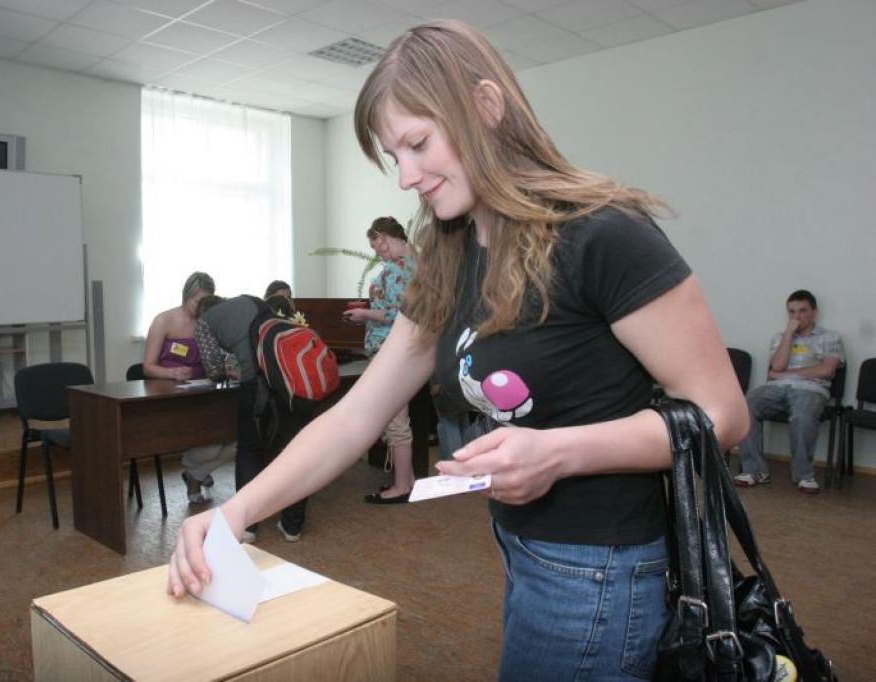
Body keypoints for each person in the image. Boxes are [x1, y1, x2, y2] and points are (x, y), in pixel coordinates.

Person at [169, 20, 748, 680]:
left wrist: (558, 452)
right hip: (526, 547)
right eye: (396, 157)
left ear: (487, 108)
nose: (408, 177)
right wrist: (234, 511)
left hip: (601, 564)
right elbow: (355, 417)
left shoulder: (601, 235)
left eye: (418, 144)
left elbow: (723, 415)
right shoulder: (451, 255)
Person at [193, 294, 310, 543]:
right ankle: (292, 526)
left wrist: (227, 372)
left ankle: (247, 526)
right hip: (289, 379)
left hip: (256, 384)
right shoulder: (251, 301)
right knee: (294, 449)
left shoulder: (204, 322)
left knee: (249, 451)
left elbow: (213, 368)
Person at [734, 289, 844, 494]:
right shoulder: (780, 337)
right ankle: (755, 470)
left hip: (812, 390)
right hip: (775, 389)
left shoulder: (830, 337)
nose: (797, 317)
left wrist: (786, 375)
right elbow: (776, 366)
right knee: (745, 405)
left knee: (801, 415)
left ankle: (803, 475)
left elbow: (827, 370)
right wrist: (789, 335)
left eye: (802, 311)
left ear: (814, 312)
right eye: (792, 312)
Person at [343, 217, 418, 503]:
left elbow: (396, 314)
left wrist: (365, 314)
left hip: (391, 350)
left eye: (377, 244)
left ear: (385, 235)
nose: (377, 251)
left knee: (395, 419)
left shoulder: (398, 267)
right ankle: (406, 479)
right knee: (396, 416)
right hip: (403, 350)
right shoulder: (415, 262)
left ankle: (401, 487)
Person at [142, 272, 231, 504]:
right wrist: (172, 373)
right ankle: (196, 475)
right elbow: (148, 367)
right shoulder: (164, 320)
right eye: (196, 301)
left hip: (205, 391)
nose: (199, 307)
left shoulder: (209, 321)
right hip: (170, 393)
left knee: (231, 438)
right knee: (211, 443)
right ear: (185, 296)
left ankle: (195, 473)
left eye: (205, 302)